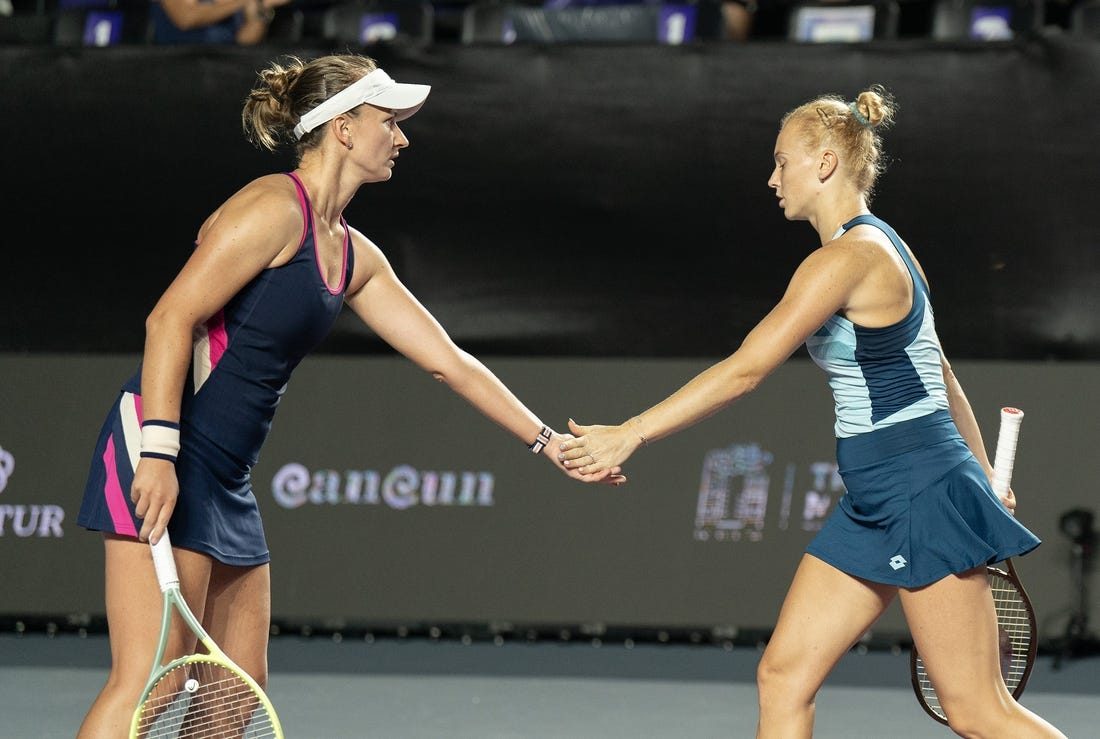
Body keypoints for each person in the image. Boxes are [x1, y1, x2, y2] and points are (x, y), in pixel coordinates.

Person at [75, 53, 624, 738]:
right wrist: (157, 453)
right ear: (342, 128)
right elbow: (169, 319)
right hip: (166, 448)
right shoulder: (272, 208)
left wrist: (550, 443)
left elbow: (449, 362)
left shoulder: (354, 254)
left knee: (235, 691)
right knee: (151, 677)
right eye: (388, 122)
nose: (402, 138)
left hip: (226, 476)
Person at [558, 86, 1066, 738]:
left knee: (977, 711)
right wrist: (983, 468)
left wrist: (630, 431)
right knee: (784, 676)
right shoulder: (889, 246)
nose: (772, 179)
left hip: (920, 490)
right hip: (879, 496)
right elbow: (940, 375)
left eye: (781, 162)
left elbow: (746, 369)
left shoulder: (846, 259)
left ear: (824, 162)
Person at [151, 0, 289, 45]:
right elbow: (186, 18)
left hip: (224, 68)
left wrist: (261, 8)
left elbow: (246, 40)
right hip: (177, 64)